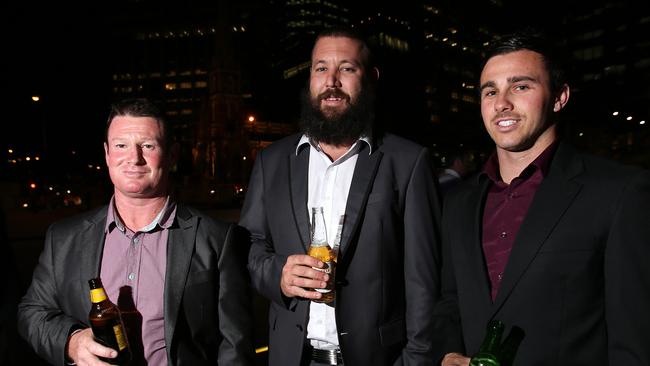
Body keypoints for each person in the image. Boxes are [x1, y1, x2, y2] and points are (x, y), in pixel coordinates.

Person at [435, 29, 650, 365]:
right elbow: (450, 299)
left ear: (559, 96)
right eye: (490, 90)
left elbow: (634, 341)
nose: (501, 102)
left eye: (520, 86)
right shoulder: (458, 202)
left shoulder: (619, 192)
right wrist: (447, 353)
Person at [239, 27, 442, 366]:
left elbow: (424, 282)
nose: (331, 80)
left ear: (371, 78)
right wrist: (279, 275)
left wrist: (415, 361)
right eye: (321, 68)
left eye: (346, 68)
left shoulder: (408, 162)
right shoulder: (271, 161)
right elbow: (248, 247)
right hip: (291, 357)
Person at [17, 98, 254, 366]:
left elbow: (235, 346)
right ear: (107, 154)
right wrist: (71, 342)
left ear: (172, 154)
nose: (134, 158)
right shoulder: (63, 238)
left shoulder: (217, 239)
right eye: (121, 146)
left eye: (148, 146)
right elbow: (32, 312)